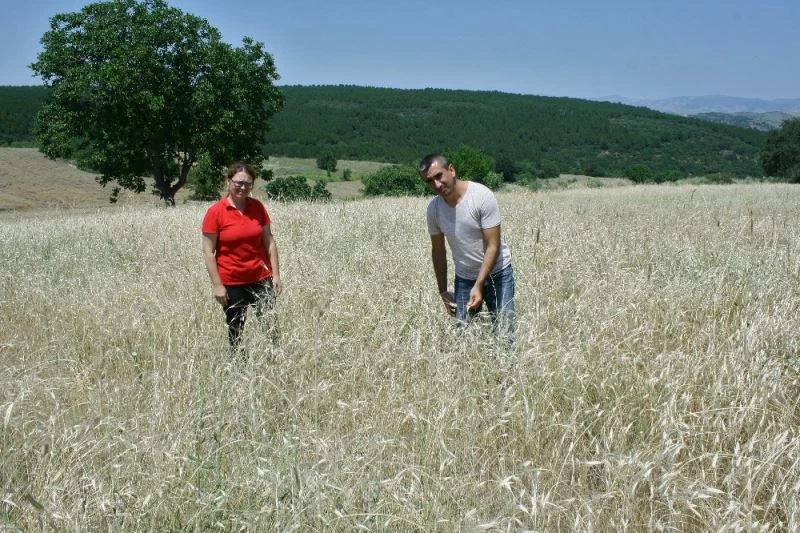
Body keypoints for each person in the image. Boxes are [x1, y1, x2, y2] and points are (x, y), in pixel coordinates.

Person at [418, 153, 515, 343]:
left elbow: (493, 245)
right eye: (429, 181)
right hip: (465, 277)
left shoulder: (481, 196)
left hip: (499, 274)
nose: (436, 185)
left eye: (439, 176)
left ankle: (507, 371)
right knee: (462, 337)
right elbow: (438, 252)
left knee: (505, 334)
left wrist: (479, 285)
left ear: (451, 170)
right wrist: (443, 292)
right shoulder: (434, 210)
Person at [201, 162, 282, 352]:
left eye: (248, 183)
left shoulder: (257, 207)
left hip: (261, 278)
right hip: (232, 282)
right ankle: (238, 365)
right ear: (228, 182)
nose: (243, 187)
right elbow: (208, 251)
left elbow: (269, 241)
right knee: (236, 328)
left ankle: (277, 360)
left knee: (271, 327)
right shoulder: (216, 212)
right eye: (238, 182)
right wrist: (217, 285)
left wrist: (276, 274)